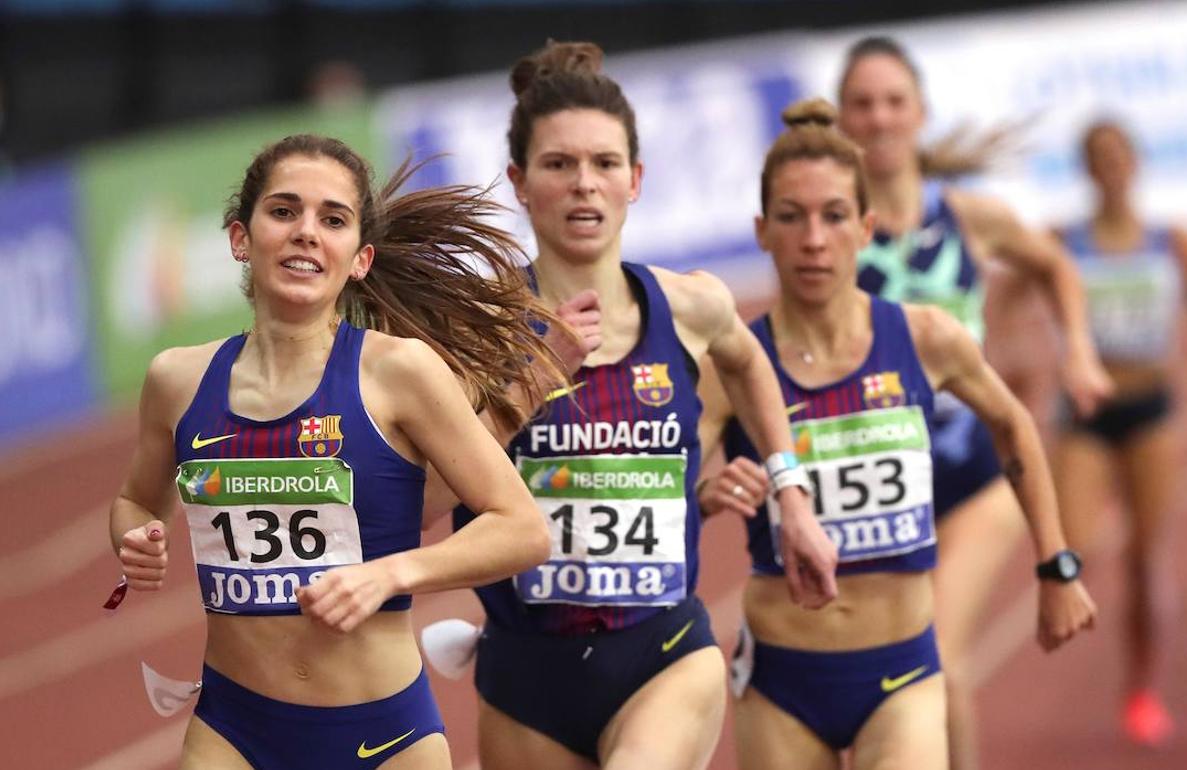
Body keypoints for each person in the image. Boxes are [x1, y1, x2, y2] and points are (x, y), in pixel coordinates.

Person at [433, 41, 838, 770]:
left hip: (663, 654)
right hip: (525, 679)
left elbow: (751, 367)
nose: (584, 185)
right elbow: (425, 500)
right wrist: (528, 383)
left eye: (604, 164)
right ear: (521, 183)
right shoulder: (474, 334)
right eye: (559, 165)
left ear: (636, 180)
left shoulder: (692, 306)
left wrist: (793, 494)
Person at [108, 134, 565, 769]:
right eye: (284, 211)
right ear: (241, 238)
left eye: (333, 219)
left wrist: (391, 573)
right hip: (234, 730)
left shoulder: (400, 373)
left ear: (359, 258)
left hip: (383, 736)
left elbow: (522, 530)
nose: (305, 232)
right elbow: (136, 500)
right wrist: (135, 539)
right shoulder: (176, 381)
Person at [696, 97, 1096, 770]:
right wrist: (707, 494)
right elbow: (665, 486)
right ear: (762, 231)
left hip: (903, 674)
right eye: (791, 218)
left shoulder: (924, 337)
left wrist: (1056, 565)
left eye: (834, 217)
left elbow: (1013, 424)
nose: (814, 239)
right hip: (780, 682)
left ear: (866, 227)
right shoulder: (730, 366)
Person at [831, 36, 1114, 770]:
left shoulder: (968, 217)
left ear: (921, 113)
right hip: (866, 490)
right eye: (863, 103)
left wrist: (1077, 348)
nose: (880, 117)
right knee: (856, 683)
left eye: (895, 102)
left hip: (971, 474)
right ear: (841, 118)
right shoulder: (827, 234)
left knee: (939, 663)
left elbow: (1055, 262)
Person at [1052, 119, 1187, 747]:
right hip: (1084, 415)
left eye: (1119, 154)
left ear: (1135, 163)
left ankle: (1141, 690)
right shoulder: (1064, 244)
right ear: (1086, 167)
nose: (1111, 165)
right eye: (1098, 156)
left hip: (1150, 412)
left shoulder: (1172, 241)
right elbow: (1008, 306)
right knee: (1075, 549)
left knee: (1146, 560)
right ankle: (1101, 513)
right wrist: (1012, 351)